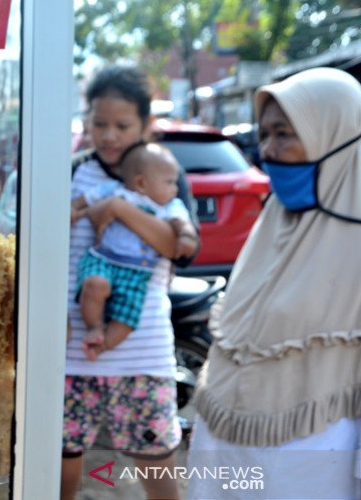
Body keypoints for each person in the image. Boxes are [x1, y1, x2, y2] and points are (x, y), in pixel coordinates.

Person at [188, 67, 361, 499]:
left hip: (314, 458)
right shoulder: (272, 225)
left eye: (285, 134)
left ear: (336, 135)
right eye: (264, 135)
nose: (268, 150)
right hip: (229, 454)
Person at [61, 64, 199, 500]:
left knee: (156, 465)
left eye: (122, 125)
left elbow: (178, 248)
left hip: (145, 350)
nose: (109, 136)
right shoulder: (73, 172)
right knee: (60, 462)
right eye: (99, 124)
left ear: (146, 125)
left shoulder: (163, 176)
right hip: (70, 351)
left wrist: (120, 209)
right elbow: (43, 238)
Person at [71, 143, 197, 360]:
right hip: (103, 259)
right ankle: (94, 327)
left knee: (126, 318)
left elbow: (181, 223)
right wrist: (75, 211)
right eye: (169, 182)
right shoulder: (116, 190)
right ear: (140, 183)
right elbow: (87, 199)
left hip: (137, 273)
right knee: (94, 286)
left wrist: (186, 236)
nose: (175, 189)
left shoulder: (169, 206)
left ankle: (102, 345)